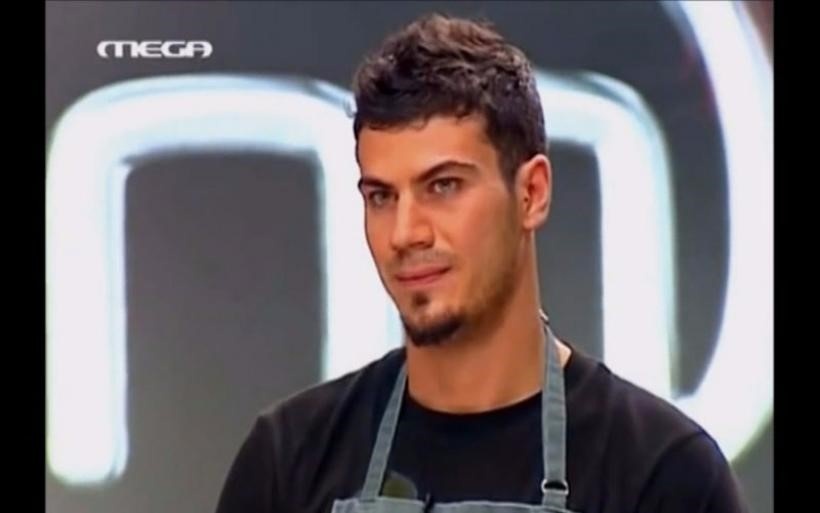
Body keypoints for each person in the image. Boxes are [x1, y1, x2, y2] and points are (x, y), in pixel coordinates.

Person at [215, 13, 749, 513]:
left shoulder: (663, 473)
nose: (405, 233)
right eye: (381, 197)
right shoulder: (289, 460)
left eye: (443, 186)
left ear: (532, 193)